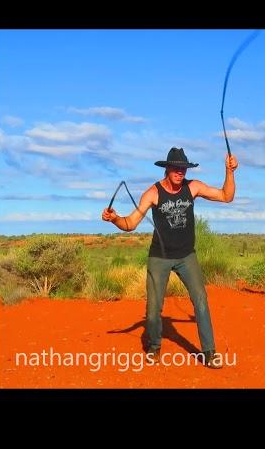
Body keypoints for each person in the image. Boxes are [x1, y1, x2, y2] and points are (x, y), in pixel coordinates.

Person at [101, 147, 238, 369]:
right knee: (154, 308)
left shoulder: (193, 187)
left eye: (183, 168)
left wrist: (229, 171)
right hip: (160, 257)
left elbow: (226, 196)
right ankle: (154, 347)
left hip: (187, 256)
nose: (180, 172)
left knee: (201, 300)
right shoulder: (153, 193)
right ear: (167, 169)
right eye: (176, 168)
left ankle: (209, 352)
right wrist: (115, 218)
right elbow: (131, 224)